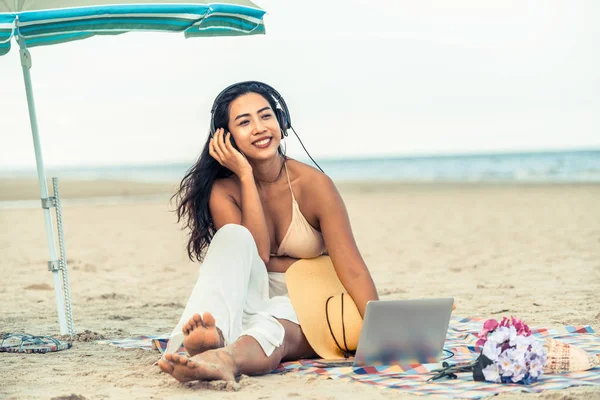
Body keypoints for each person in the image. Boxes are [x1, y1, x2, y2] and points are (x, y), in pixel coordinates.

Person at [157, 82, 378, 383]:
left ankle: (224, 357)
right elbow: (255, 255)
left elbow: (351, 268)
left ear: (282, 122)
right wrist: (246, 176)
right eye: (244, 122)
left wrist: (378, 330)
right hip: (248, 292)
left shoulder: (314, 185)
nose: (259, 128)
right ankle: (210, 336)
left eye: (266, 116)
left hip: (308, 294)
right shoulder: (223, 191)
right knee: (233, 237)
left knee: (272, 326)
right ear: (226, 137)